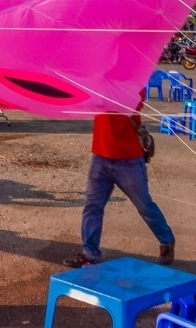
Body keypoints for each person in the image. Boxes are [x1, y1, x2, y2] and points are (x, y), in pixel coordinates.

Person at [65, 100, 174, 269]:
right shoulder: (100, 80)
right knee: (92, 206)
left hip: (128, 159)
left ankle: (166, 240)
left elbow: (134, 103)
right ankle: (90, 253)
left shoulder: (132, 80)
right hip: (101, 156)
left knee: (144, 205)